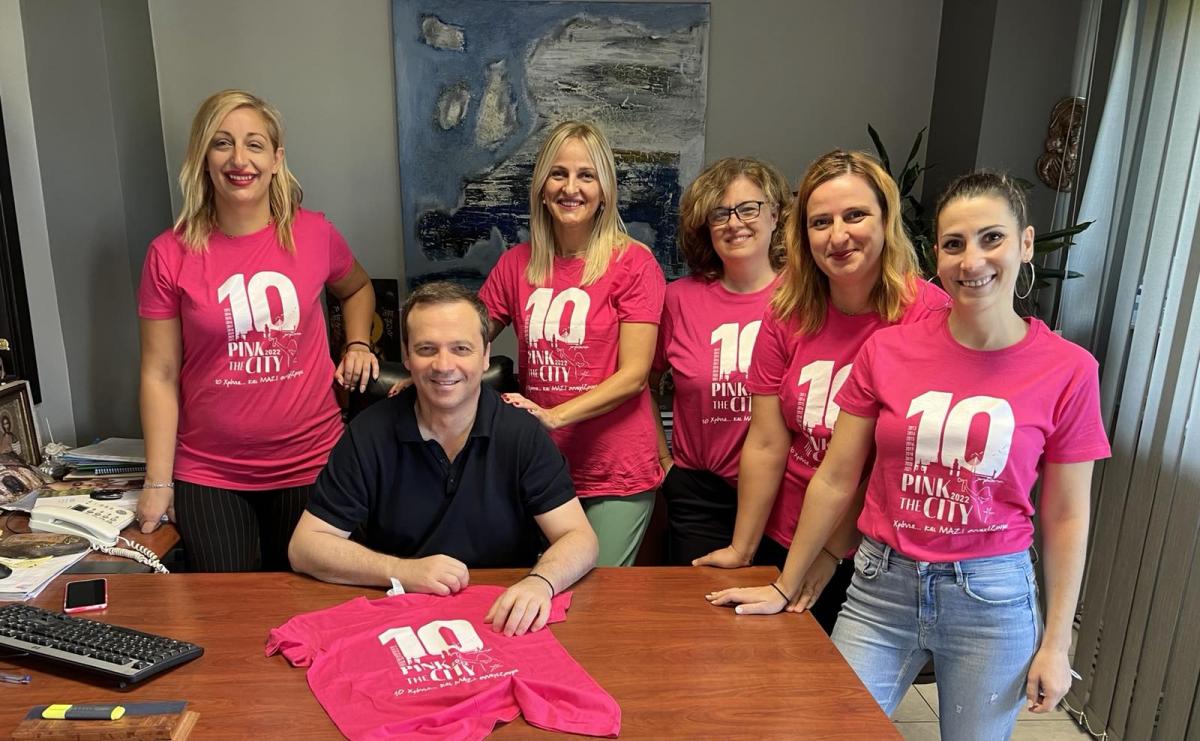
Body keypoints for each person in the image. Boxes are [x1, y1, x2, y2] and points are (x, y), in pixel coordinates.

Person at [708, 171, 1110, 739]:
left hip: (991, 599)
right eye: (954, 244)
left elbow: (1066, 514)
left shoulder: (1068, 369)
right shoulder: (889, 349)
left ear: (1025, 243)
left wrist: (1058, 640)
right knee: (828, 728)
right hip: (881, 587)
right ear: (935, 255)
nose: (972, 260)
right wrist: (785, 583)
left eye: (992, 238)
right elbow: (837, 477)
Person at [694, 150, 949, 634]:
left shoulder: (928, 317)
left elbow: (889, 464)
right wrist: (743, 548)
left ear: (886, 219)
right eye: (820, 222)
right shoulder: (787, 311)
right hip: (789, 532)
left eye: (855, 215)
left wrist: (830, 551)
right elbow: (766, 441)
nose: (838, 236)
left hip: (871, 546)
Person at [137, 89, 378, 572]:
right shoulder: (169, 253)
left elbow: (357, 288)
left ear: (276, 159)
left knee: (318, 608)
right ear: (203, 158)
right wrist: (157, 482)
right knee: (230, 610)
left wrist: (357, 342)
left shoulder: (314, 233)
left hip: (314, 462)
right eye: (222, 143)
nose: (239, 160)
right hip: (211, 474)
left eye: (254, 144)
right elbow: (159, 374)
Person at [289, 282, 598, 636]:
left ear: (485, 355)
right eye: (426, 349)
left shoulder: (522, 433)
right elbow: (305, 547)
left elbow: (579, 538)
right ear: (407, 357)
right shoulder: (368, 433)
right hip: (398, 617)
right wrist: (402, 571)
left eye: (460, 348)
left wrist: (540, 582)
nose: (443, 365)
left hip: (504, 617)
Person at [478, 120, 666, 567]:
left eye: (586, 176)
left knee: (594, 595)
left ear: (604, 191)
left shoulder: (633, 264)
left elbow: (634, 376)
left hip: (614, 468)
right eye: (558, 174)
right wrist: (425, 376)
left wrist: (554, 416)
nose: (571, 188)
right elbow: (465, 336)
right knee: (536, 589)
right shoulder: (515, 265)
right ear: (542, 189)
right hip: (539, 466)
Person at [651, 157, 789, 565]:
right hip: (699, 496)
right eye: (720, 213)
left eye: (748, 208)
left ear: (775, 214)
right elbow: (641, 381)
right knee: (697, 604)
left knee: (779, 604)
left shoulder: (804, 298)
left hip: (784, 493)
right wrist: (665, 464)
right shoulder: (679, 299)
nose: (734, 223)